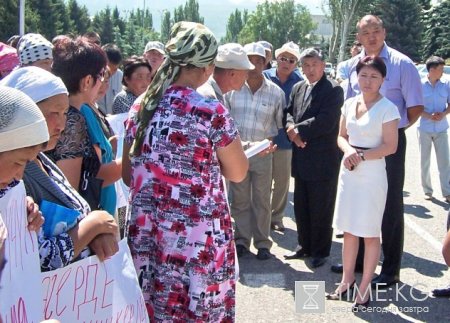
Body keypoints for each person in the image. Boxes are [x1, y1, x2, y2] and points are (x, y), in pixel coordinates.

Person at [122, 21, 248, 321]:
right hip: (194, 240)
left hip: (148, 235)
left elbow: (130, 176)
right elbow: (239, 172)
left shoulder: (141, 106)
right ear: (206, 69)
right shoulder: (209, 110)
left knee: (152, 307)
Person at [331, 15, 424, 287]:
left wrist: (391, 130)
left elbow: (416, 106)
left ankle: (391, 269)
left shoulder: (402, 64)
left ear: (384, 32)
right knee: (358, 202)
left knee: (389, 205)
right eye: (365, 32)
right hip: (355, 143)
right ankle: (358, 263)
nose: (371, 36)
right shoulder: (352, 65)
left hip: (387, 144)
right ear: (358, 37)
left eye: (376, 31)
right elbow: (351, 103)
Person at [1, 67, 119, 271]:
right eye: (53, 113)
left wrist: (96, 232)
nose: (61, 124)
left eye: (65, 113)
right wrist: (94, 225)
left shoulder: (40, 161)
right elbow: (39, 257)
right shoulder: (12, 175)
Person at [327, 56, 400, 309]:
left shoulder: (388, 108)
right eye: (363, 75)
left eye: (374, 77)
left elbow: (391, 146)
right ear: (356, 77)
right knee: (348, 229)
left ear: (382, 80)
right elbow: (341, 136)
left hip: (372, 173)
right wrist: (348, 151)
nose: (368, 81)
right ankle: (347, 280)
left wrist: (361, 156)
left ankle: (365, 286)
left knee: (369, 232)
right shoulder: (348, 103)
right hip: (349, 170)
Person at [224, 42, 284, 260]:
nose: (254, 64)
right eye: (250, 60)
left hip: (262, 153)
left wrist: (266, 145)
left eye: (259, 60)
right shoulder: (232, 91)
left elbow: (277, 125)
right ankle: (241, 240)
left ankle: (263, 243)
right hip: (237, 153)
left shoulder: (275, 92)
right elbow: (225, 122)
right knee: (239, 198)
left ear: (265, 62)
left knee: (261, 199)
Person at [284, 48, 343, 268]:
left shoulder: (333, 89)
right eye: (306, 65)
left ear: (323, 65)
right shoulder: (299, 87)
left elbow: (326, 120)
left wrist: (298, 132)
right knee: (302, 205)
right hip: (301, 157)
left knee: (321, 207)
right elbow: (288, 112)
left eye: (314, 65)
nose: (310, 70)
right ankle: (304, 245)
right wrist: (291, 128)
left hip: (322, 159)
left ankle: (320, 251)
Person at [50, 36, 121, 212]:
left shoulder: (65, 112)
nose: (104, 82)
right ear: (87, 81)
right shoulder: (73, 119)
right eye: (102, 75)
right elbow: (70, 193)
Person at [263, 41, 303, 232]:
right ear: (276, 59)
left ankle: (276, 217)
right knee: (261, 180)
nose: (286, 62)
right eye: (283, 58)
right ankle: (261, 217)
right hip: (262, 137)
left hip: (285, 140)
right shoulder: (265, 76)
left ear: (296, 63)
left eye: (291, 60)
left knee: (281, 181)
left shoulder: (300, 82)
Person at [417, 56, 450, 203]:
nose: (442, 72)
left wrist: (443, 114)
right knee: (425, 161)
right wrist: (428, 116)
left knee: (444, 161)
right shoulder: (420, 85)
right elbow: (415, 106)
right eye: (440, 69)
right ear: (431, 70)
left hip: (441, 128)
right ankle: (427, 191)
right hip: (425, 127)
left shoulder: (446, 84)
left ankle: (447, 192)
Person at [97, 43, 124, 115]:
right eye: (108, 68)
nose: (110, 73)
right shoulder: (92, 75)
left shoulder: (120, 75)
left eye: (114, 69)